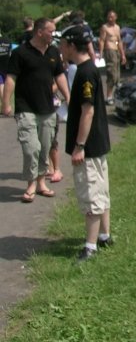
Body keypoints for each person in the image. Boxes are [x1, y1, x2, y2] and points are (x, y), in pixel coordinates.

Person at [1, 17, 70, 203]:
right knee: (31, 148)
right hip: (26, 107)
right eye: (51, 31)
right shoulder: (21, 53)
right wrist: (6, 103)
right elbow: (11, 79)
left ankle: (41, 183)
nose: (53, 35)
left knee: (45, 147)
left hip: (48, 108)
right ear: (39, 31)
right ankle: (30, 184)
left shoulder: (54, 52)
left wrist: (68, 97)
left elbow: (60, 76)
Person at [59, 24, 113, 262]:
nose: (60, 48)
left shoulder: (84, 72)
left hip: (88, 147)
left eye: (62, 44)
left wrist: (79, 145)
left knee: (91, 192)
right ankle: (104, 236)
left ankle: (90, 246)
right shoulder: (88, 69)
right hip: (97, 144)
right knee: (101, 190)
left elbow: (87, 111)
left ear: (71, 46)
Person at [98, 10, 126, 104]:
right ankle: (108, 96)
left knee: (117, 76)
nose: (110, 18)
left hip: (116, 50)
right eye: (108, 17)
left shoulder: (117, 27)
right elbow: (101, 40)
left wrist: (123, 55)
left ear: (115, 17)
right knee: (111, 74)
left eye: (112, 17)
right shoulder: (105, 27)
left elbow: (119, 41)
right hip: (109, 50)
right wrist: (101, 53)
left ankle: (115, 95)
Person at [0, 32, 11, 102]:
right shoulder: (8, 40)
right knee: (5, 85)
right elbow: (10, 53)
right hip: (7, 66)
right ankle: (7, 103)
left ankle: (5, 104)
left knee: (1, 85)